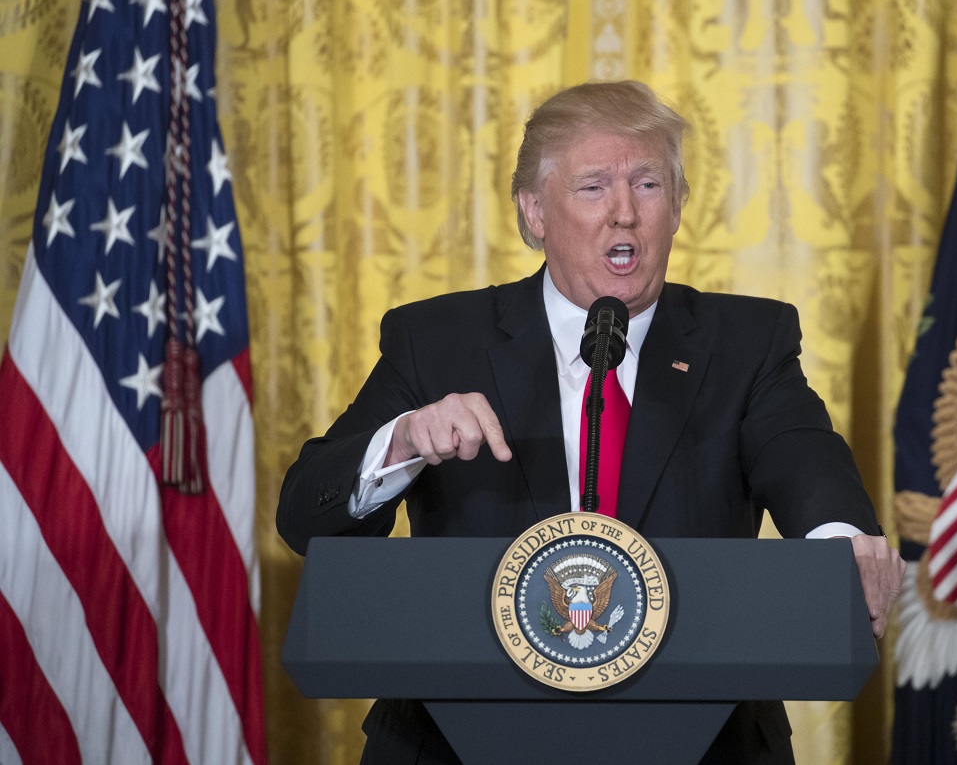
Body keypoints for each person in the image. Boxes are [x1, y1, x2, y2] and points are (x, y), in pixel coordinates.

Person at [277, 80, 905, 764]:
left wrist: (843, 538)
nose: (624, 215)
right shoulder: (438, 340)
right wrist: (400, 443)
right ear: (534, 211)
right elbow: (304, 515)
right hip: (455, 741)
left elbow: (802, 453)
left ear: (678, 206)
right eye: (593, 187)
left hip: (705, 741)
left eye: (648, 185)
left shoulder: (747, 341)